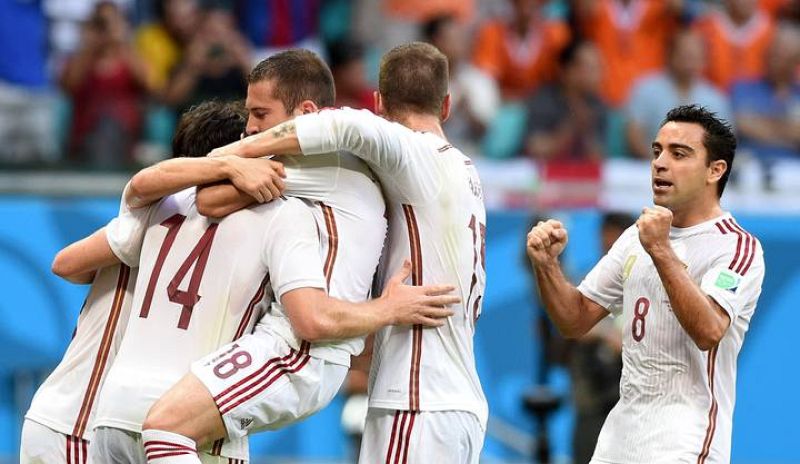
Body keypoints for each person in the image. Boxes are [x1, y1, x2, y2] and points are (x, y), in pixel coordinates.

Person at [204, 41, 488, 463]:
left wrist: (228, 156)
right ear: (446, 105)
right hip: (459, 403)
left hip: (416, 400)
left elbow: (347, 127)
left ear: (378, 102)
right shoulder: (467, 172)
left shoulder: (414, 152)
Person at [526, 104, 765, 463]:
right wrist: (546, 266)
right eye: (657, 151)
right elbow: (573, 320)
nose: (660, 163)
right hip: (618, 437)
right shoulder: (634, 238)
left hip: (685, 440)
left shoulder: (736, 246)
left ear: (715, 170)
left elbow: (709, 330)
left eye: (679, 153)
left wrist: (661, 250)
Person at [19, 100, 247, 464]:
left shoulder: (208, 222)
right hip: (79, 424)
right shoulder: (161, 213)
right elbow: (66, 263)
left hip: (104, 425)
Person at [568, 212, 633, 464]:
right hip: (591, 398)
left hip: (630, 399)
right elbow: (574, 324)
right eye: (605, 234)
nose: (609, 241)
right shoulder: (587, 281)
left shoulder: (645, 282)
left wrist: (623, 340)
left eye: (616, 235)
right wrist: (608, 335)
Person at [60, 1, 152, 167]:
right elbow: (69, 86)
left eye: (111, 22)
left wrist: (122, 42)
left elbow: (148, 85)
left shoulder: (129, 56)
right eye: (100, 23)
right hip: (86, 134)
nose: (106, 29)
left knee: (109, 131)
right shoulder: (82, 58)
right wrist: (89, 46)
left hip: (124, 133)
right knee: (102, 133)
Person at [626, 28, 731, 159]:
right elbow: (634, 136)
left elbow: (723, 145)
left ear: (705, 59)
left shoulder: (715, 99)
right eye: (685, 55)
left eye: (695, 56)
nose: (690, 62)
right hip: (651, 167)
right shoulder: (645, 88)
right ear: (669, 55)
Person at [524, 39, 607, 161]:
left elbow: (599, 158)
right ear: (567, 70)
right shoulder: (545, 99)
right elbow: (534, 149)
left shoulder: (597, 105)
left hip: (582, 176)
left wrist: (586, 132)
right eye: (589, 68)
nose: (597, 74)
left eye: (598, 67)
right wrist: (571, 128)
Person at [472, 0, 570, 100]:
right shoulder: (493, 33)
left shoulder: (555, 35)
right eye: (521, 5)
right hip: (501, 102)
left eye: (532, 6)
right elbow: (486, 75)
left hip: (542, 103)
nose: (525, 12)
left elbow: (560, 76)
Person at [731, 23, 800, 162]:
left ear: (795, 61)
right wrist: (788, 131)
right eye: (772, 52)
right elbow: (742, 125)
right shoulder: (743, 87)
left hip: (793, 169)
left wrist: (761, 124)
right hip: (751, 166)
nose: (773, 59)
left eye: (782, 55)